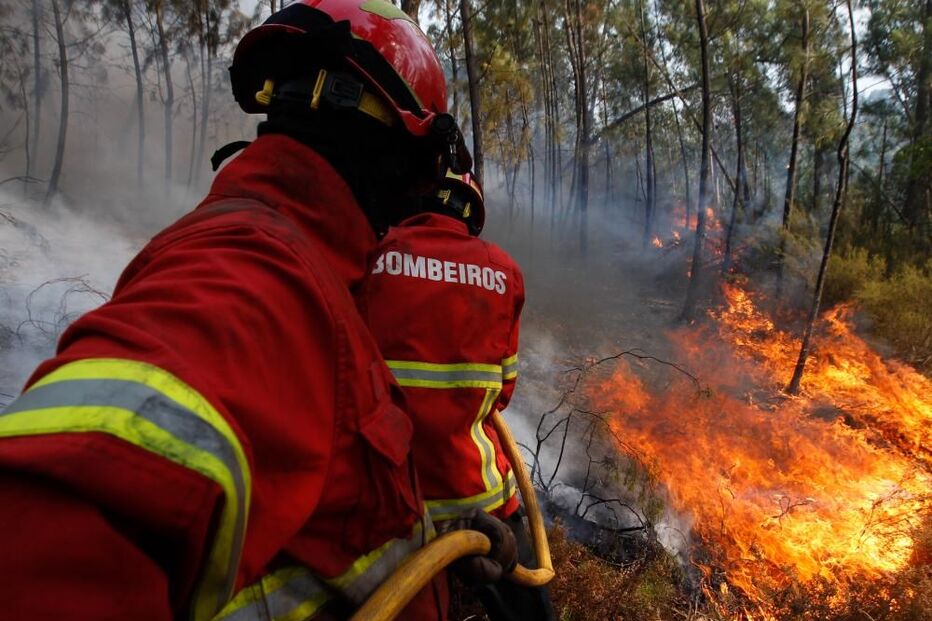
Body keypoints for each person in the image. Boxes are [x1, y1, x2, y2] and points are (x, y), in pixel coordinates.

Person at [0, 2, 514, 620]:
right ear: (395, 151)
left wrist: (436, 548)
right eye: (424, 167)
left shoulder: (321, 276)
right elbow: (56, 523)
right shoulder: (254, 274)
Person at [359, 171, 555, 621]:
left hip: (390, 501)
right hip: (480, 499)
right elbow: (502, 393)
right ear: (471, 209)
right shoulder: (504, 271)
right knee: (528, 611)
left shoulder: (368, 255)